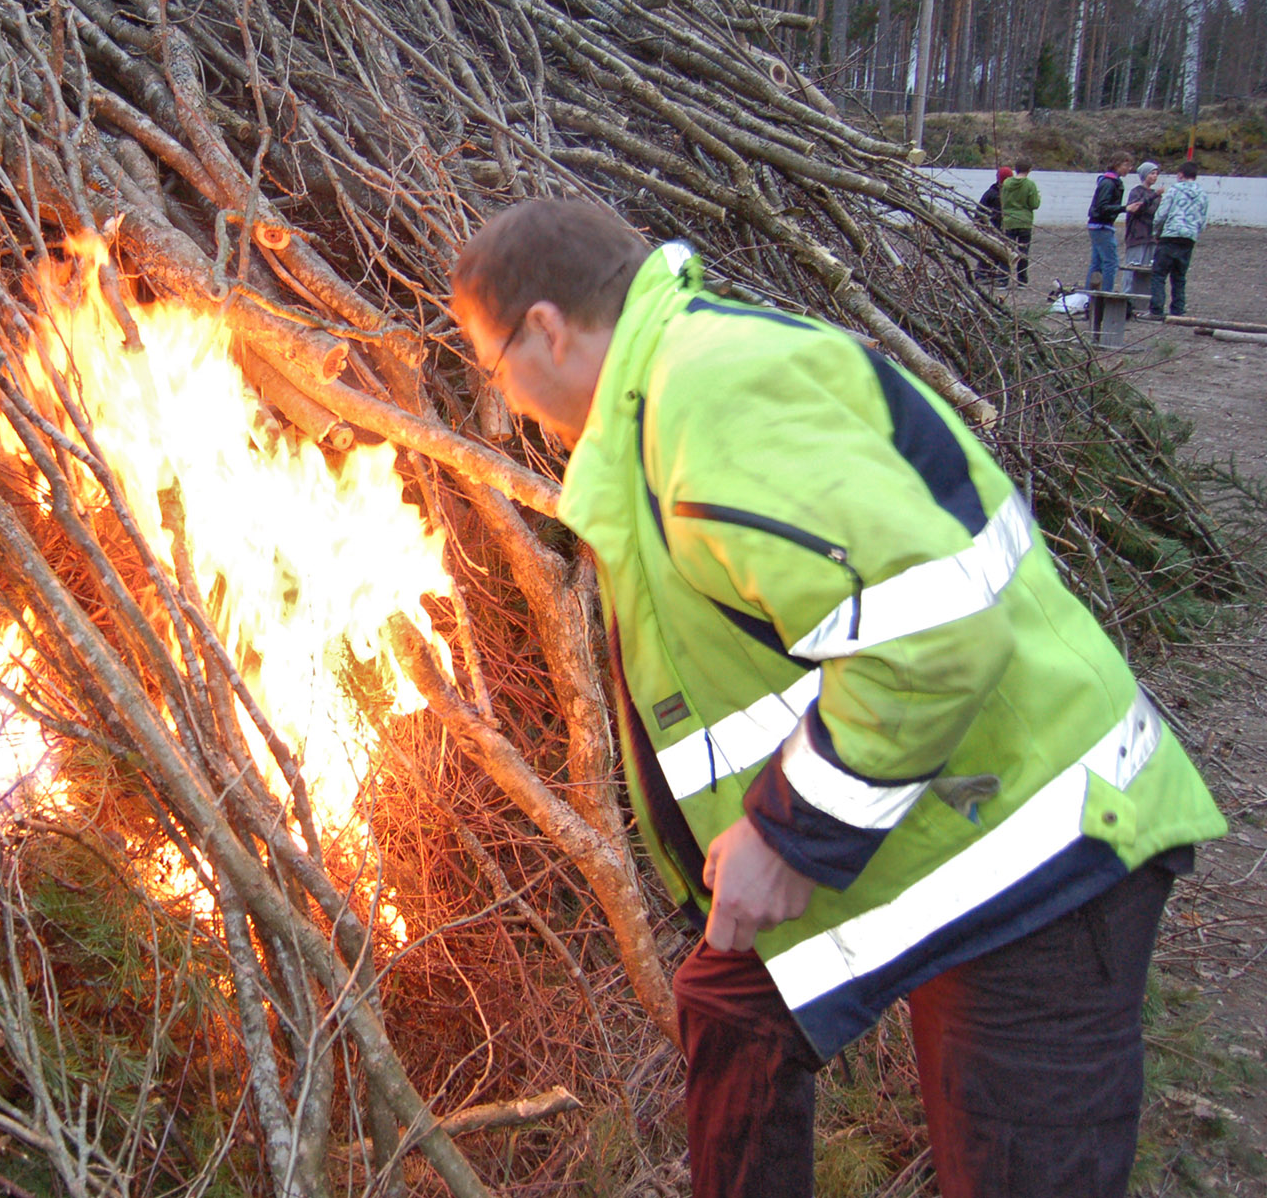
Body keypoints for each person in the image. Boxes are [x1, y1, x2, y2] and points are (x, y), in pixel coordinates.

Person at [449, 199, 1224, 1198]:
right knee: (730, 1000)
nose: (502, 398)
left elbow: (930, 635)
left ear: (546, 327)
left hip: (1038, 854)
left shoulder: (709, 402)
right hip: (942, 813)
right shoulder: (673, 389)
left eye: (491, 358)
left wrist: (788, 835)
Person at [1149, 159, 1210, 321]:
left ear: (1181, 175)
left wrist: (1156, 232)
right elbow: (1203, 220)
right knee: (1179, 275)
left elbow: (1161, 214)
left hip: (1170, 235)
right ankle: (1178, 309)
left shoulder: (1174, 190)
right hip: (1189, 237)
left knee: (1159, 274)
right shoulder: (1203, 194)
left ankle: (1156, 309)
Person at [1086, 156, 1131, 291]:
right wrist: (1124, 208)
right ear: (1117, 165)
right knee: (1110, 262)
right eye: (1126, 165)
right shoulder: (1109, 183)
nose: (1129, 169)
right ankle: (1106, 294)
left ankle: (1090, 294)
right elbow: (1102, 207)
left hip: (1098, 225)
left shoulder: (1110, 182)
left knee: (1097, 262)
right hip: (1102, 226)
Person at [1000, 161, 1040, 287]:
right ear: (1029, 169)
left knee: (1007, 251)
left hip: (1009, 220)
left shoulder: (1006, 184)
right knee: (1023, 252)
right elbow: (1034, 204)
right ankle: (1022, 280)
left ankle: (1003, 279)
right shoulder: (1030, 185)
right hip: (1024, 221)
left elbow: (1003, 202)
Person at [974, 166, 1012, 283]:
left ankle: (989, 273)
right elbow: (980, 210)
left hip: (1001, 227)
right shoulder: (991, 193)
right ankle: (981, 274)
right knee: (989, 251)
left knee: (995, 251)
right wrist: (981, 224)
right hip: (991, 226)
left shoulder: (1007, 193)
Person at [1123, 161, 1162, 270]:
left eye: (1156, 174)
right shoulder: (1136, 192)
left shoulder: (1157, 195)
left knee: (1148, 270)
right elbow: (1137, 209)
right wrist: (1154, 196)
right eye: (1152, 173)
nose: (1155, 176)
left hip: (1152, 237)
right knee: (1132, 269)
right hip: (1137, 237)